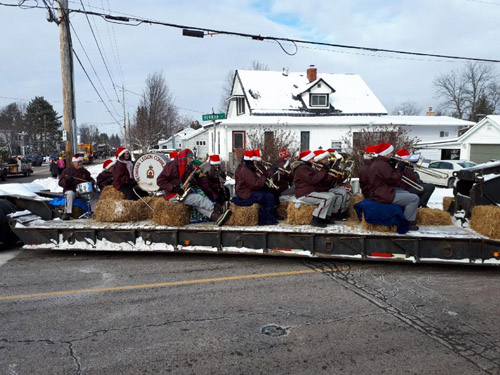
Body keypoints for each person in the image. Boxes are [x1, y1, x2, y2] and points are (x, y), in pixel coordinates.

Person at [156, 149, 231, 226]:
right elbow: (160, 181)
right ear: (184, 157)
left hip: (182, 192)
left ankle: (216, 217)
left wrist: (194, 180)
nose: (192, 160)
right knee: (198, 198)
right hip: (173, 194)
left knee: (197, 204)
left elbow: (193, 179)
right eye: (190, 158)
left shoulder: (187, 167)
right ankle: (218, 209)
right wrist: (173, 188)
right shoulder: (171, 166)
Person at [368, 142, 420, 231]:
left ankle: (404, 217)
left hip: (382, 190)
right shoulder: (382, 165)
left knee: (406, 192)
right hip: (382, 194)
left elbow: (389, 178)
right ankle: (406, 223)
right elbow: (393, 179)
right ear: (385, 153)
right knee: (414, 198)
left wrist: (393, 167)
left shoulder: (380, 163)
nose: (392, 154)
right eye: (390, 152)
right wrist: (399, 169)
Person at [293, 150, 338, 228]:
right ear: (306, 159)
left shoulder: (307, 167)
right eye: (312, 158)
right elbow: (313, 180)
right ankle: (316, 218)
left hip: (310, 191)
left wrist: (329, 174)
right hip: (304, 194)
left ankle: (326, 216)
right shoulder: (301, 168)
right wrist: (324, 170)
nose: (313, 160)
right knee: (327, 198)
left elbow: (318, 179)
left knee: (332, 195)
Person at [232, 150, 278, 225]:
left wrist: (267, 173)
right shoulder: (245, 170)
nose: (256, 162)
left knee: (271, 193)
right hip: (246, 193)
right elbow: (255, 184)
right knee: (269, 197)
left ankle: (269, 217)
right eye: (254, 160)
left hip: (249, 190)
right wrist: (263, 176)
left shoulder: (249, 168)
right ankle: (266, 220)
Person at [58, 154, 97, 220]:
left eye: (81, 162)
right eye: (78, 162)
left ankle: (95, 212)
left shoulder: (84, 172)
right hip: (71, 190)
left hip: (82, 191)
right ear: (73, 162)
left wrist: (92, 182)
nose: (80, 163)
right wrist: (67, 180)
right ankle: (67, 213)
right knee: (69, 194)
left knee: (93, 194)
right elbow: (60, 183)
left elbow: (90, 179)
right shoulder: (66, 171)